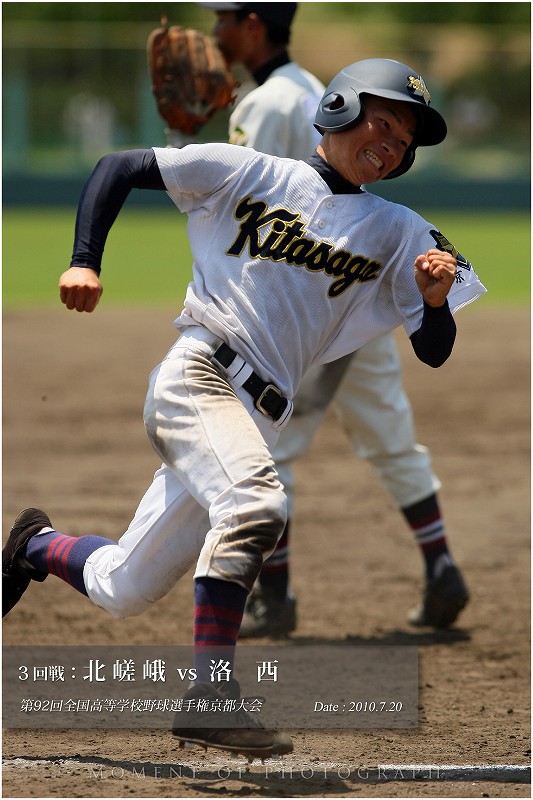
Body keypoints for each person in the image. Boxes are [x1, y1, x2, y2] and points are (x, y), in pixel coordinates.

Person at [2, 57, 486, 759]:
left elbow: (433, 350)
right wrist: (85, 259)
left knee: (127, 587)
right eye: (383, 121)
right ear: (341, 107)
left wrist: (435, 302)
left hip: (258, 415)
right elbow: (118, 166)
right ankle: (211, 697)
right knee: (257, 504)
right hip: (198, 376)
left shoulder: (400, 230)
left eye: (405, 139)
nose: (392, 142)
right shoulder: (251, 172)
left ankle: (33, 547)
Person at [203, 1, 470, 638]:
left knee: (270, 446)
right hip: (363, 298)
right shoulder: (299, 90)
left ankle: (277, 596)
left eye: (224, 18)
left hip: (308, 311)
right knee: (390, 437)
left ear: (252, 25)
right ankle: (442, 569)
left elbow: (259, 215)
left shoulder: (268, 102)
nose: (215, 32)